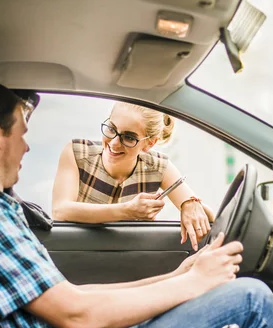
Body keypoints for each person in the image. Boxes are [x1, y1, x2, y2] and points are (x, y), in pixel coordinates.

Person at [0, 78, 273, 328]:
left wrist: (180, 276)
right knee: (251, 300)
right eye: (23, 134)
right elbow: (75, 314)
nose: (27, 147)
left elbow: (71, 297)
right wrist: (193, 284)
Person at [52, 101, 214, 251]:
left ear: (149, 143)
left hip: (133, 259)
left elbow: (203, 215)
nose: (114, 142)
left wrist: (189, 204)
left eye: (129, 137)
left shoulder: (158, 166)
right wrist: (128, 211)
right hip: (78, 254)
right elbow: (60, 210)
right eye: (111, 129)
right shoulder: (78, 152)